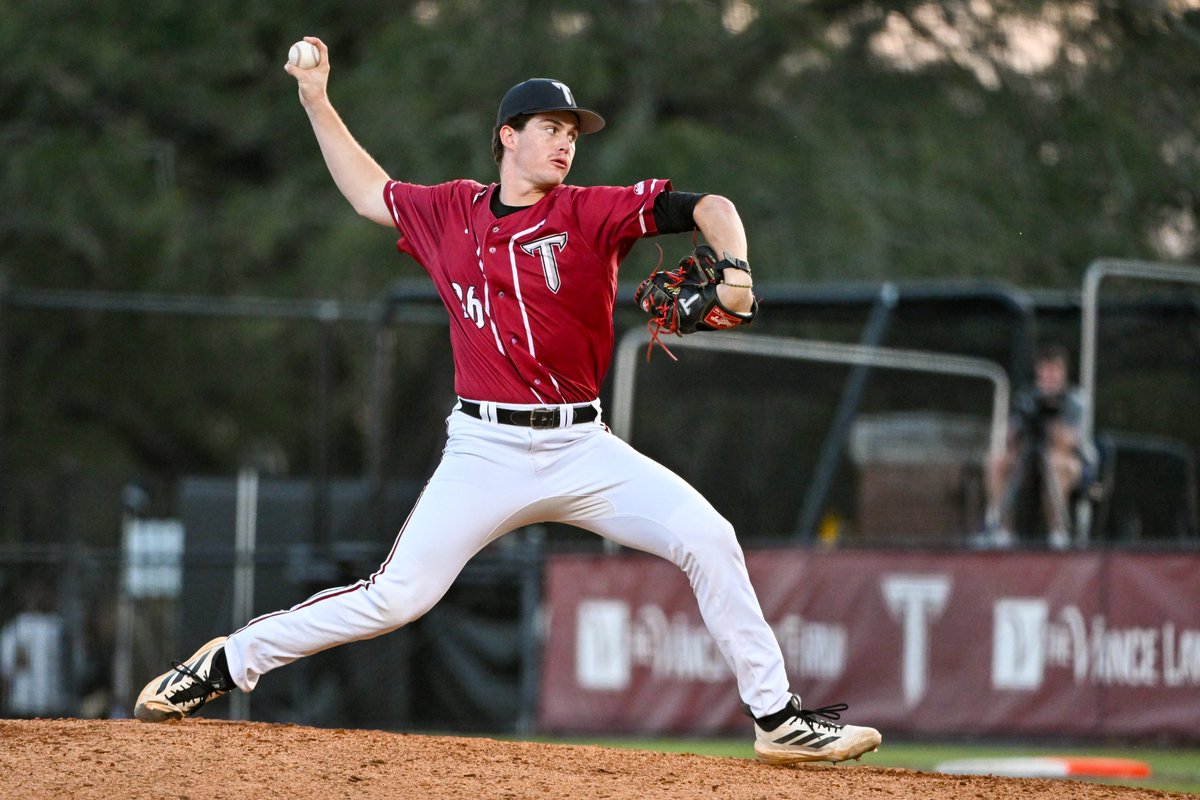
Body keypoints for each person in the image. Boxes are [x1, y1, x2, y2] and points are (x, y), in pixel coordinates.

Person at [134, 36, 881, 765]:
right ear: (507, 136)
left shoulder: (591, 212)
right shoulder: (450, 211)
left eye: (572, 134)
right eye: (551, 129)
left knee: (709, 537)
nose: (566, 144)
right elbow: (368, 192)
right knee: (396, 597)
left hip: (582, 448)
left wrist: (737, 268)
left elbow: (712, 206)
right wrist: (316, 99)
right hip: (484, 451)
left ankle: (777, 719)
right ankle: (227, 661)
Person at [983, 344, 1095, 549]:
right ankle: (1001, 532)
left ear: (1063, 372)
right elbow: (1011, 434)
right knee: (996, 461)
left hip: (1067, 461)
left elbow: (1070, 441)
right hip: (1029, 457)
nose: (1049, 375)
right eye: (1045, 369)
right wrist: (1017, 428)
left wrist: (1049, 425)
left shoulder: (1075, 400)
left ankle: (1058, 534)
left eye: (1055, 370)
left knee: (1055, 464)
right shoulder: (1028, 397)